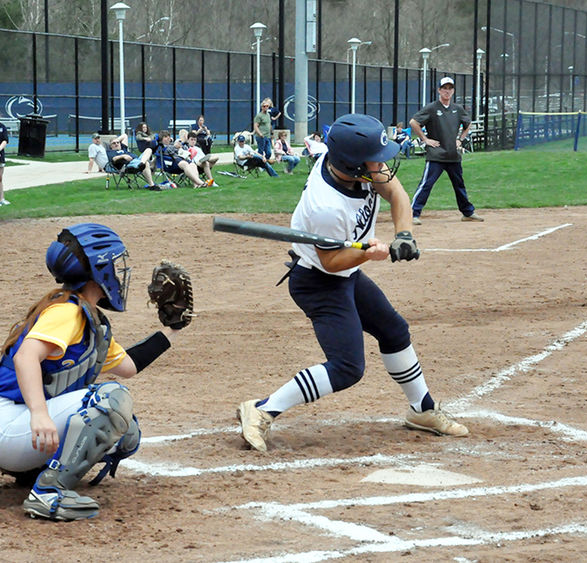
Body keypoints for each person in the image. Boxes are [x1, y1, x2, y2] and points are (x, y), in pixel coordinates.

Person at [237, 113, 468, 452]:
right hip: (318, 281)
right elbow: (331, 262)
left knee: (393, 330)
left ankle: (423, 410)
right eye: (375, 160)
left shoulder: (352, 168)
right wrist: (367, 254)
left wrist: (404, 234)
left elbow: (397, 194)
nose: (382, 166)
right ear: (354, 164)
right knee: (347, 367)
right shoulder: (326, 207)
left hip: (344, 274)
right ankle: (261, 410)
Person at [0, 223, 186, 520]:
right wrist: (39, 414)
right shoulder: (67, 311)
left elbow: (128, 366)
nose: (118, 271)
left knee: (126, 432)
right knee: (111, 401)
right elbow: (25, 358)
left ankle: (33, 471)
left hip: (17, 432)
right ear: (98, 271)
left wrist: (172, 329)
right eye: (113, 263)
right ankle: (48, 493)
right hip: (9, 425)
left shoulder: (88, 318)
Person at [409, 76, 483, 225]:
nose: (447, 91)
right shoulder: (432, 108)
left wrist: (460, 139)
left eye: (450, 88)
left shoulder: (457, 109)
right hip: (437, 155)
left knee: (459, 184)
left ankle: (467, 213)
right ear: (439, 90)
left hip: (453, 155)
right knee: (426, 184)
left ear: (453, 91)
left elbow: (467, 124)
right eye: (444, 88)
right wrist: (425, 139)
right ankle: (412, 214)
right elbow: (413, 122)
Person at [0, 118, 8, 205]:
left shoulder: (2, 127)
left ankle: (1, 199)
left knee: (0, 178)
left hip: (0, 155)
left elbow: (5, 140)